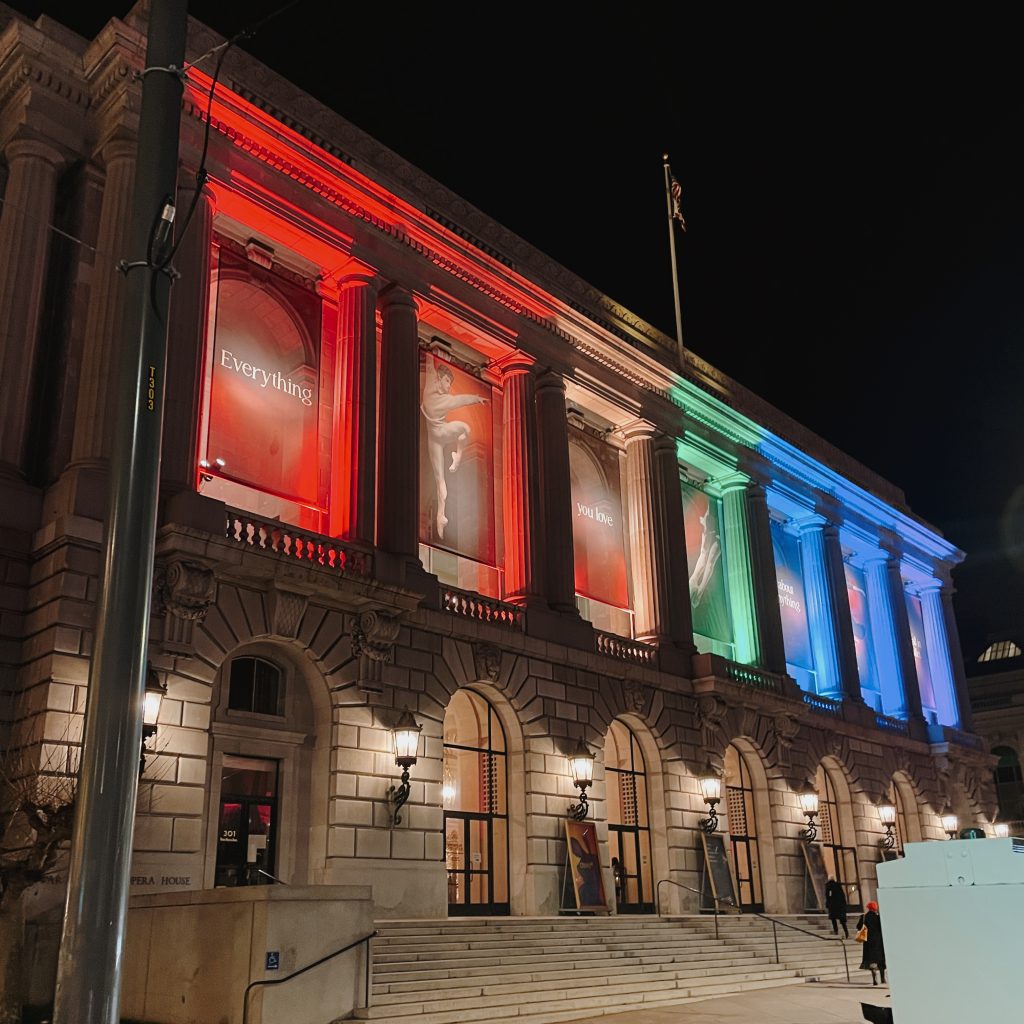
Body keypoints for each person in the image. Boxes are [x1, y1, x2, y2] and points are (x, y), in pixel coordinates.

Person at [420, 354, 486, 540]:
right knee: (441, 482)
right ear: (440, 379)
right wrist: (476, 398)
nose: (449, 386)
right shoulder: (439, 393)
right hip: (436, 439)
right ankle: (441, 515)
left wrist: (431, 353)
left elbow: (431, 365)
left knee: (465, 428)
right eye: (447, 381)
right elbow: (460, 399)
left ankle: (458, 455)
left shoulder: (437, 391)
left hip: (440, 432)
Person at [856, 900, 886, 985]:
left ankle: (874, 980)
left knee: (872, 961)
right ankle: (883, 978)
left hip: (868, 942)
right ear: (875, 908)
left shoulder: (864, 917)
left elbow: (858, 927)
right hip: (879, 941)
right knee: (881, 961)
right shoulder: (878, 917)